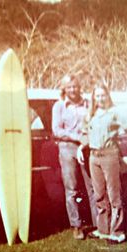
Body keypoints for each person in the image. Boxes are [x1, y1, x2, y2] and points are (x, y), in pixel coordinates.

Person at [77, 83, 127, 243]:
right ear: (93, 98)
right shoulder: (91, 114)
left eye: (103, 95)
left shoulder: (115, 112)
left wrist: (119, 137)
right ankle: (103, 230)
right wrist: (80, 148)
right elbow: (85, 133)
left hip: (110, 155)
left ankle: (117, 232)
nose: (100, 98)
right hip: (94, 157)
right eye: (97, 96)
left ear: (107, 96)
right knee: (99, 195)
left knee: (114, 195)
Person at [52, 75, 97, 240]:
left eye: (75, 86)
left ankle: (99, 225)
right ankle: (76, 226)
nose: (73, 90)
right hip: (67, 149)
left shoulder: (88, 104)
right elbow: (56, 130)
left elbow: (93, 123)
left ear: (79, 87)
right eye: (69, 87)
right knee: (71, 189)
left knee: (93, 186)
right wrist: (76, 137)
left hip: (86, 148)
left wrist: (85, 139)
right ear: (64, 88)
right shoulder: (59, 106)